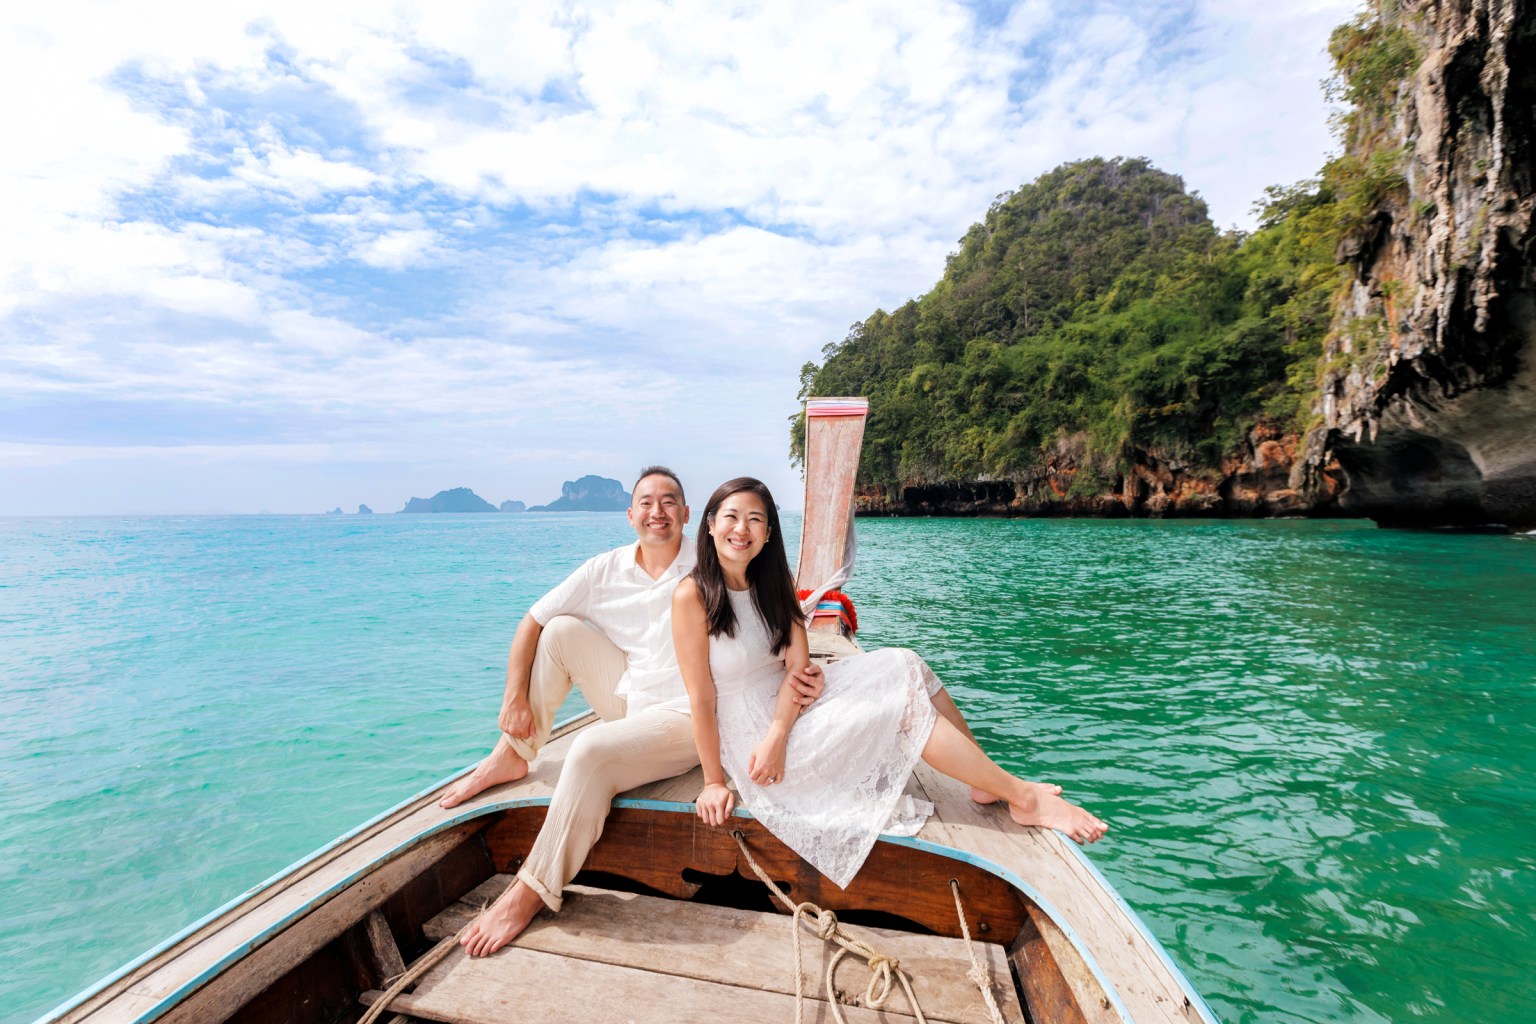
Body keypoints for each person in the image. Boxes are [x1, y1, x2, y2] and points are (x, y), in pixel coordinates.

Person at [439, 467, 825, 957]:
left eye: (670, 502)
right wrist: (513, 697)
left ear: (691, 516)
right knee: (557, 631)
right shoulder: (605, 570)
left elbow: (768, 616)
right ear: (629, 515)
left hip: (692, 712)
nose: (657, 512)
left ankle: (530, 891)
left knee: (589, 751)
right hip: (632, 697)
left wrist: (804, 671)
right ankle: (512, 753)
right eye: (646, 502)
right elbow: (531, 622)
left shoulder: (714, 555)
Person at [672, 477, 1109, 889]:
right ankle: (1022, 797)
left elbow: (798, 671)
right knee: (902, 706)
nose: (741, 528)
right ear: (710, 525)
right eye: (730, 516)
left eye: (755, 519)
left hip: (787, 712)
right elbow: (702, 698)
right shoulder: (692, 596)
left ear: (769, 533)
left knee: (906, 662)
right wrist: (714, 781)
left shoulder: (776, 583)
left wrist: (780, 731)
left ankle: (984, 779)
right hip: (749, 732)